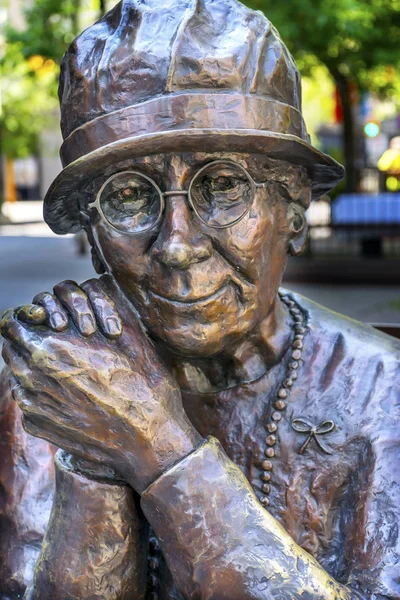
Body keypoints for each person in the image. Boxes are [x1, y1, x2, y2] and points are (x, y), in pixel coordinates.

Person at [1, 1, 399, 598]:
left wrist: (155, 447)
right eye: (130, 196)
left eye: (222, 185)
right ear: (91, 232)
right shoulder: (48, 383)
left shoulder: (383, 391)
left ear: (292, 207)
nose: (178, 246)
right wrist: (94, 458)